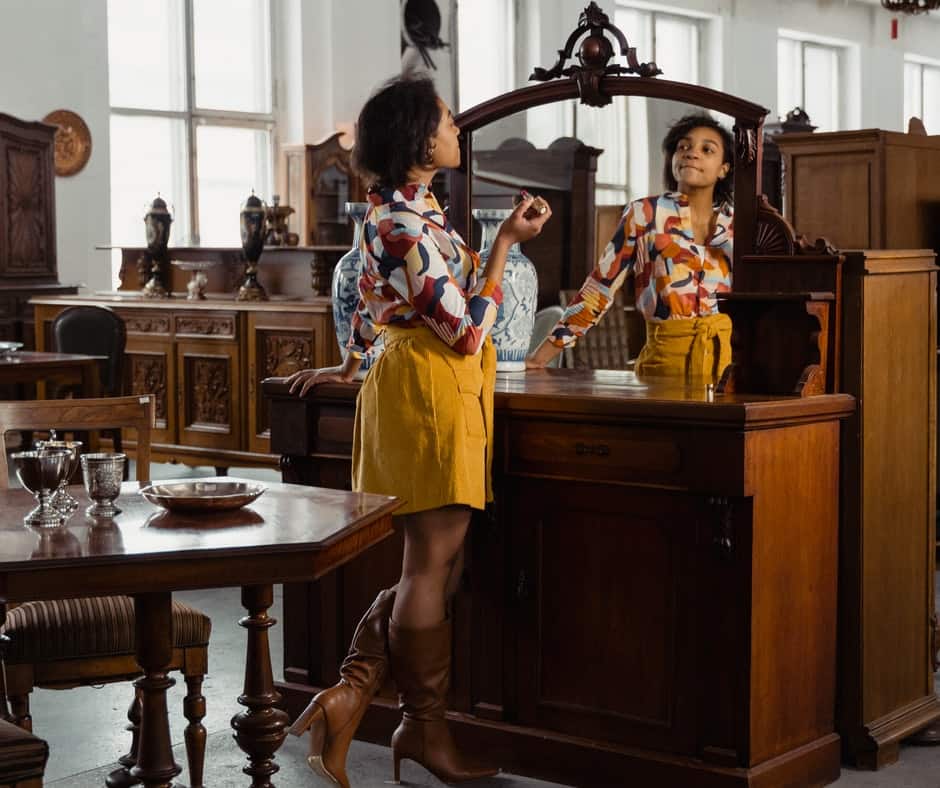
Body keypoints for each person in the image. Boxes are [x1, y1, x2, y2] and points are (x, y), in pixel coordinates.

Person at [285, 75, 551, 787]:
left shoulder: (415, 214)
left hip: (437, 387)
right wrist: (501, 249)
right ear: (416, 139)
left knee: (440, 565)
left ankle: (356, 700)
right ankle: (422, 732)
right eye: (446, 120)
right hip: (433, 388)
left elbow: (384, 312)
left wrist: (352, 358)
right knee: (430, 565)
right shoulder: (401, 224)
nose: (457, 128)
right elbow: (464, 331)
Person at [527, 112, 735, 381]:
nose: (691, 153)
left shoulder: (735, 226)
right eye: (683, 147)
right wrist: (542, 356)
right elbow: (600, 287)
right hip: (663, 368)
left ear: (723, 168)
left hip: (726, 370)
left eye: (707, 149)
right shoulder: (644, 214)